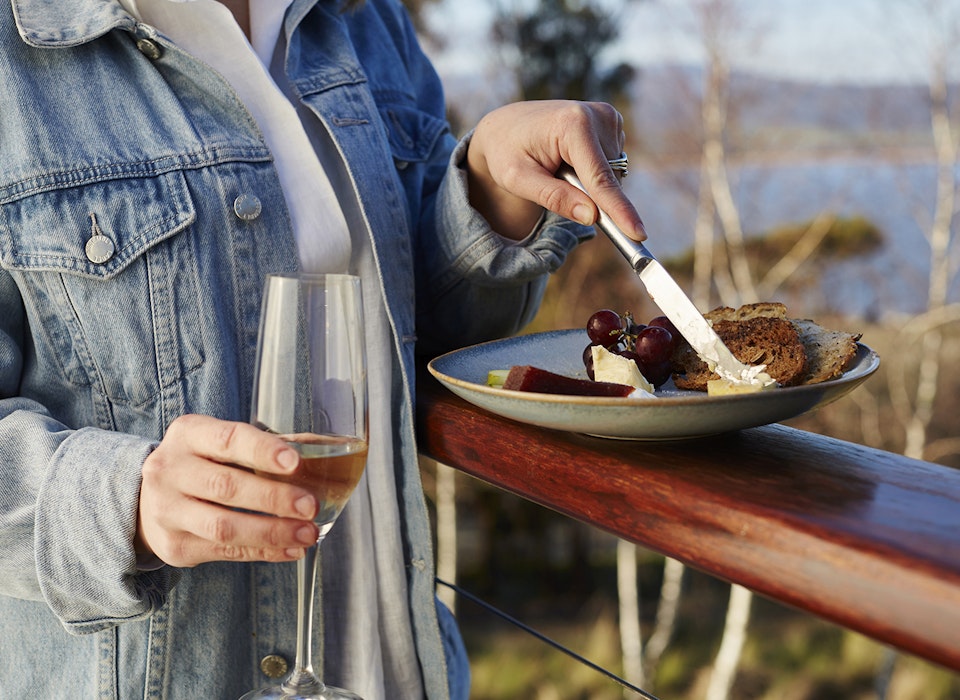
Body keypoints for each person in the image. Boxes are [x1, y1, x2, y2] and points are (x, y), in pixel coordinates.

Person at [0, 0, 645, 697]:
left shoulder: (368, 18)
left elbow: (413, 330)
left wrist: (487, 192)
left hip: (395, 671)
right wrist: (127, 501)